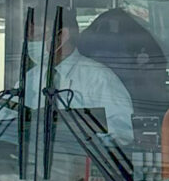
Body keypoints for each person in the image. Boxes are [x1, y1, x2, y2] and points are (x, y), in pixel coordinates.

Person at [28, 13, 135, 146]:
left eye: (37, 37)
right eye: (29, 40)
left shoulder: (99, 77)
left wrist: (82, 138)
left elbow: (123, 132)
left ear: (62, 36)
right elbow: (8, 118)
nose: (31, 45)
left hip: (83, 156)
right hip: (34, 157)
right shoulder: (31, 78)